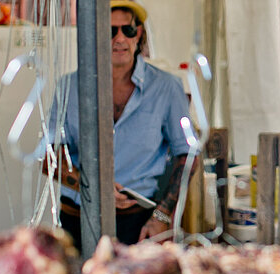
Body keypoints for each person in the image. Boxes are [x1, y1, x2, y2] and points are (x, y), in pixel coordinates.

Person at [43, 0, 195, 250]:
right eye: (110, 30)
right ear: (94, 35)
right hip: (76, 219)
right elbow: (49, 156)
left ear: (140, 34)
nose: (120, 39)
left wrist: (162, 216)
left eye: (128, 30)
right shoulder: (68, 87)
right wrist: (92, 186)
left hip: (138, 221)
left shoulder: (166, 87)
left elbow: (188, 153)